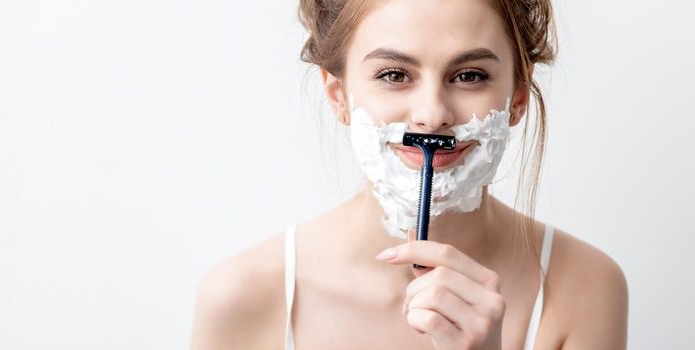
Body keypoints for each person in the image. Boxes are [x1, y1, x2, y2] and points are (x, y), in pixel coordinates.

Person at [190, 0, 628, 349]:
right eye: (394, 74)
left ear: (516, 98)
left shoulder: (585, 287)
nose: (432, 115)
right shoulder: (243, 296)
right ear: (338, 96)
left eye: (470, 75)